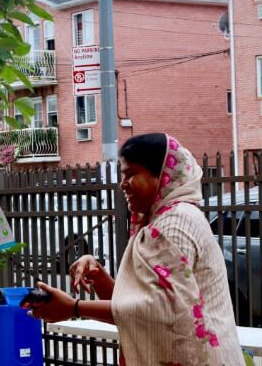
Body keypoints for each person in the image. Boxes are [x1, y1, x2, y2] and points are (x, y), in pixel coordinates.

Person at [30, 133, 244, 366]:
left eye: (132, 174)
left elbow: (158, 311)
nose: (123, 184)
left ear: (162, 176)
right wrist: (100, 278)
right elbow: (135, 307)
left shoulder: (172, 224)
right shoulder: (174, 217)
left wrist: (74, 307)